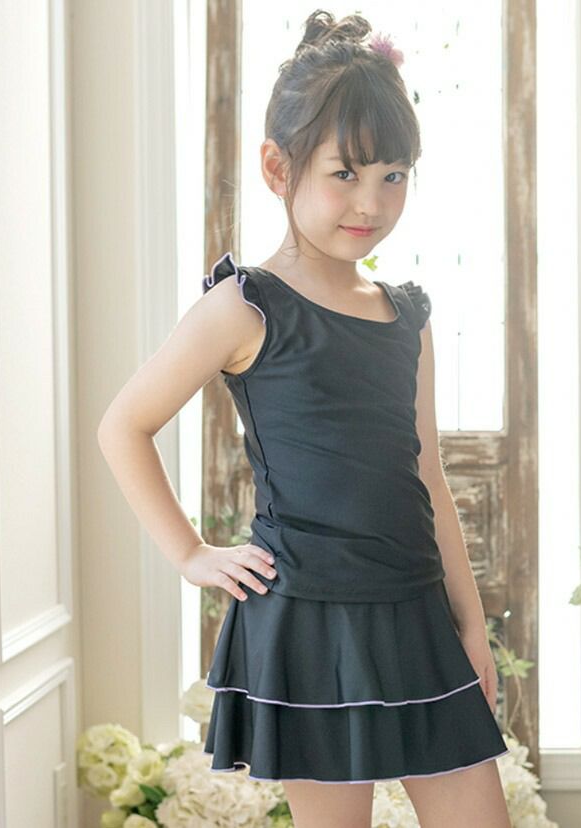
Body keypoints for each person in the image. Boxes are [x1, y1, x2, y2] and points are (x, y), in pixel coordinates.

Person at [98, 9, 512, 828]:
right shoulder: (244, 305)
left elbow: (427, 474)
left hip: (416, 611)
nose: (371, 201)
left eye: (394, 176)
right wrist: (190, 554)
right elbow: (123, 425)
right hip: (310, 623)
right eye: (345, 173)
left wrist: (470, 624)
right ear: (277, 166)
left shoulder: (405, 315)